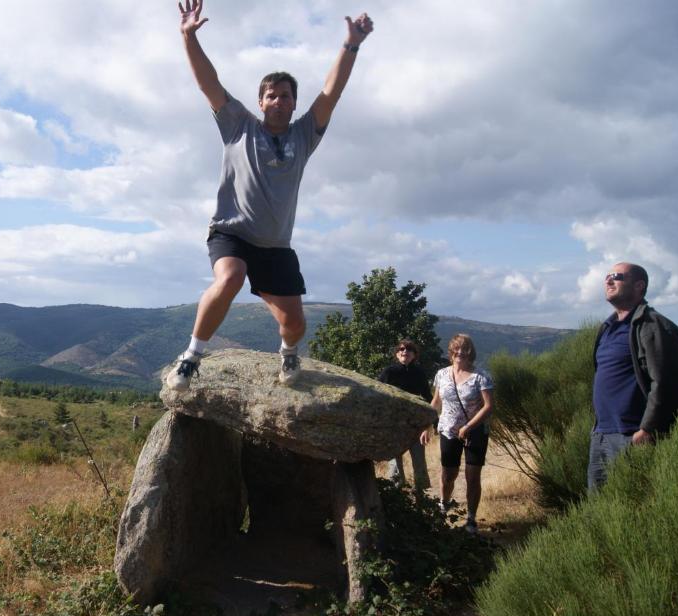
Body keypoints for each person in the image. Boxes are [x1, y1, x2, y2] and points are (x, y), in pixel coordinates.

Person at [166, 0, 374, 391]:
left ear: (294, 103)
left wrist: (352, 45)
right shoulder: (238, 125)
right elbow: (207, 82)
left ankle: (288, 353)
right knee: (231, 277)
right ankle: (192, 356)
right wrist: (188, 37)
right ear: (260, 102)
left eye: (286, 96)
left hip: (276, 246)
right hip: (232, 233)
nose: (279, 101)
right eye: (272, 95)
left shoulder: (303, 135)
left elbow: (332, 92)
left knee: (294, 324)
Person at [588, 262, 678, 490]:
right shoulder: (607, 327)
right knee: (599, 512)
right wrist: (597, 431)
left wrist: (648, 430)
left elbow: (667, 382)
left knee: (632, 507)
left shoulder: (653, 326)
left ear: (639, 286)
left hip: (633, 436)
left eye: (617, 276)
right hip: (602, 435)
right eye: (606, 277)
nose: (608, 281)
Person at [420, 334, 493, 534]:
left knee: (472, 476)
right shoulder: (442, 374)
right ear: (451, 352)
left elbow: (488, 407)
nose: (460, 353)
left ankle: (471, 519)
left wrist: (469, 426)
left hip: (475, 432)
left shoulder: (481, 376)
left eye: (465, 350)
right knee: (448, 474)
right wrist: (427, 426)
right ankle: (444, 504)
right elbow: (436, 402)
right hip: (448, 430)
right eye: (457, 350)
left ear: (470, 353)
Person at [378, 338, 432, 490]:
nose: (405, 352)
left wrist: (431, 422)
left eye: (409, 350)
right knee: (395, 463)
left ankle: (422, 498)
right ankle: (397, 495)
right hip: (393, 424)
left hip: (416, 425)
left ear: (414, 355)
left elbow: (428, 397)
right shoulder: (389, 372)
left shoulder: (420, 373)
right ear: (397, 354)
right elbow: (379, 394)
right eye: (401, 349)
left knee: (419, 461)